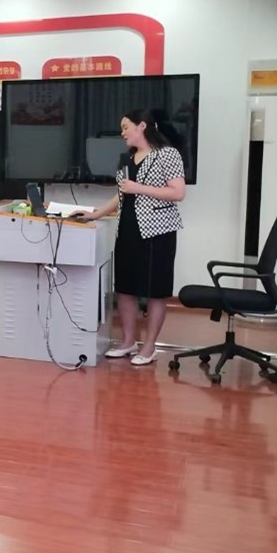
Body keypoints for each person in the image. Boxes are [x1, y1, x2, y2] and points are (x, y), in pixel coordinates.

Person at [77, 109, 185, 366]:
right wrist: (96, 213)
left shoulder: (167, 154)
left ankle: (149, 347)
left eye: (126, 127)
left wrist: (139, 188)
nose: (122, 132)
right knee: (125, 288)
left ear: (142, 126)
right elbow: (121, 194)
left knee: (156, 291)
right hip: (127, 227)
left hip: (158, 230)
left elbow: (178, 192)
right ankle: (127, 342)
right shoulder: (126, 159)